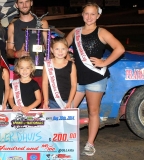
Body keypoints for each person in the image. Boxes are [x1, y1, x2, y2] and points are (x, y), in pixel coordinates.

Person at [66, 2, 125, 156]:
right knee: (69, 109)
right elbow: (62, 47)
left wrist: (104, 62)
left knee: (93, 111)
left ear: (98, 16)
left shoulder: (102, 32)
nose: (89, 17)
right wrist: (68, 57)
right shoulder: (75, 32)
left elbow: (120, 49)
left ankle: (90, 143)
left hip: (95, 79)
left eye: (93, 14)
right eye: (86, 13)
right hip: (77, 79)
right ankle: (64, 138)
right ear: (82, 14)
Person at [6, 0, 48, 88]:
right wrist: (16, 54)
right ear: (16, 5)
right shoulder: (12, 26)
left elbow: (49, 48)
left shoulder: (42, 23)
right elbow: (8, 51)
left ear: (31, 3)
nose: (24, 5)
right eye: (21, 2)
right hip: (20, 73)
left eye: (27, 2)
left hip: (39, 72)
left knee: (41, 101)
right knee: (20, 101)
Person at [42, 37, 77, 109]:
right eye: (57, 49)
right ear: (52, 50)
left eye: (63, 49)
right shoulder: (47, 65)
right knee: (52, 120)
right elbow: (44, 83)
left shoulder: (72, 65)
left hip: (67, 101)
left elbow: (74, 85)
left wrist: (70, 101)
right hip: (51, 101)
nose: (60, 52)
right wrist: (46, 101)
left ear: (67, 49)